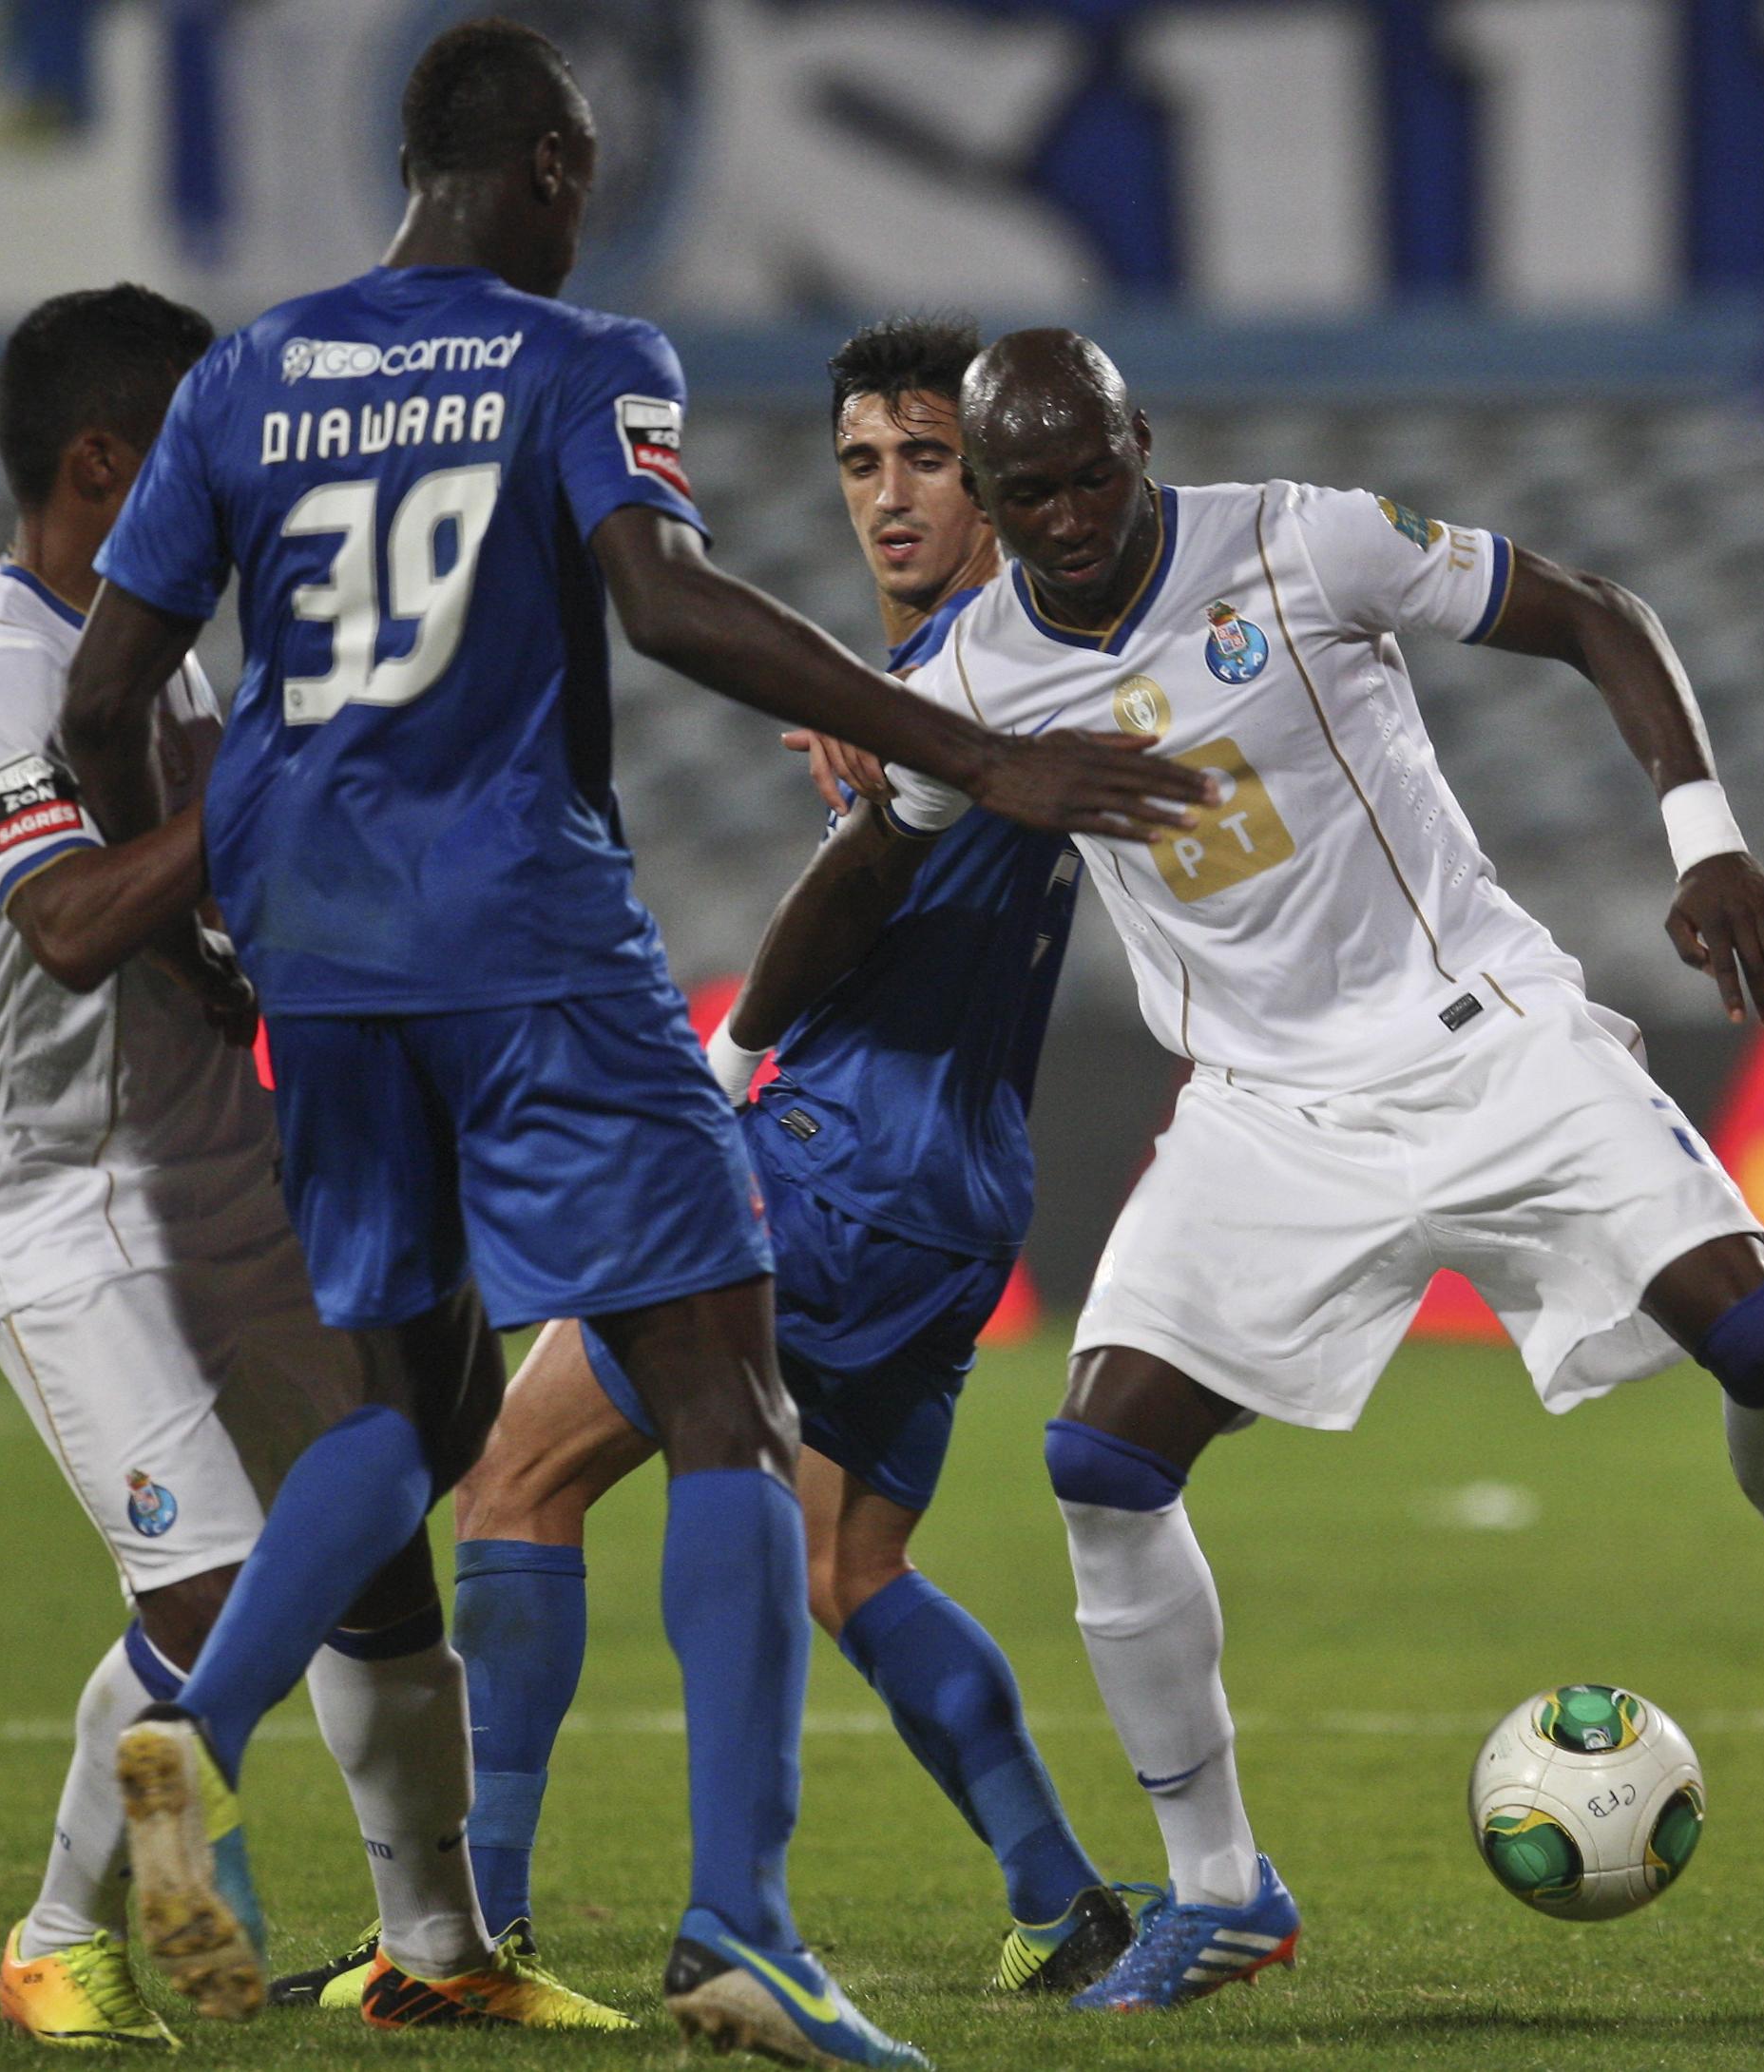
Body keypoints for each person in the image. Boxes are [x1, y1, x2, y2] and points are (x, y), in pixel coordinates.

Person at [57, 25, 1202, 2064]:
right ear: (562, 169)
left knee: (409, 1415)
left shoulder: (241, 376)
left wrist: (236, 903)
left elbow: (104, 695)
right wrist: (971, 755)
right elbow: (661, 603)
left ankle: (191, 1733)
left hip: (317, 958)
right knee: (721, 1390)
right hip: (520, 928)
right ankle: (742, 1925)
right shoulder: (576, 358)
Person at [739, 328, 1764, 2015]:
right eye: (1023, 491)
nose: (1061, 518)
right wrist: (736, 1056)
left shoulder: (1300, 538)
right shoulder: (969, 682)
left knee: (1761, 1344)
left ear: (1142, 443)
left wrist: (1705, 843)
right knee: (1100, 1464)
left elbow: (1593, 612)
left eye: (1090, 476)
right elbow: (862, 869)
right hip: (1264, 1110)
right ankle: (1222, 1891)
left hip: (1483, 1037)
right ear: (990, 492)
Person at [271, 314, 1134, 2015]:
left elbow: (873, 865)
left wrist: (730, 1054)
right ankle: (1062, 1897)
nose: (891, 499)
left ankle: (466, 1935)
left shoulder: (969, 677)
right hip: (960, 1197)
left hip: (830, 1162)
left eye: (931, 462)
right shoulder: (959, 681)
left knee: (512, 1480)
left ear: (1004, 482)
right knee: (845, 1564)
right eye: (861, 465)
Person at [0, 283, 618, 2044]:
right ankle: (58, 1937)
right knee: (225, 1595)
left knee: (375, 1558)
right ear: (104, 461)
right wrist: (271, 802)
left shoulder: (163, 651)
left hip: (227, 1164)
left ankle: (436, 1950)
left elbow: (229, 859)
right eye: (203, 454)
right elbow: (71, 917)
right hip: (61, 1198)